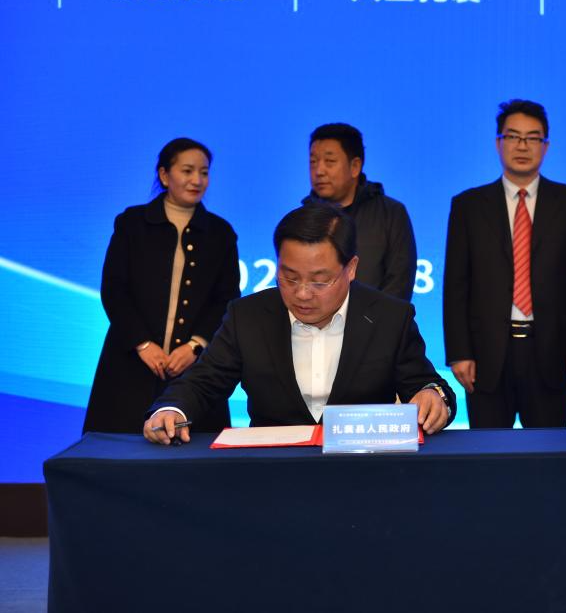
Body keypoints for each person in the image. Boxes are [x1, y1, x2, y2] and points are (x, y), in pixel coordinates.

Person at [144, 203, 454, 444]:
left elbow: (427, 385)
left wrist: (432, 396)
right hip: (274, 472)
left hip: (362, 470)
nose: (302, 294)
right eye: (290, 277)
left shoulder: (389, 317)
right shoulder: (248, 316)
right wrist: (171, 410)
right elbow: (203, 382)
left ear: (351, 268)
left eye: (320, 281)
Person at [443, 99, 566, 428]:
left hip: (552, 354)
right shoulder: (468, 206)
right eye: (513, 136)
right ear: (498, 143)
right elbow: (456, 285)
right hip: (485, 355)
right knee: (488, 453)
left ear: (546, 146)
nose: (522, 146)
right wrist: (459, 352)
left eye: (533, 138)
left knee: (548, 452)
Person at [83, 138, 239, 434]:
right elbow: (114, 289)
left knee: (192, 448)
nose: (197, 180)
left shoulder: (221, 233)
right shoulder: (132, 223)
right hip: (131, 363)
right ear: (165, 175)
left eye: (204, 173)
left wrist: (195, 346)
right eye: (187, 171)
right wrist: (142, 343)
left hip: (192, 370)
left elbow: (226, 298)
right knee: (119, 448)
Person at [303, 122, 417, 301]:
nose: (319, 171)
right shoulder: (302, 218)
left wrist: (371, 318)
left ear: (355, 166)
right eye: (313, 162)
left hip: (377, 318)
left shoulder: (391, 214)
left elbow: (399, 282)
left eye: (330, 161)